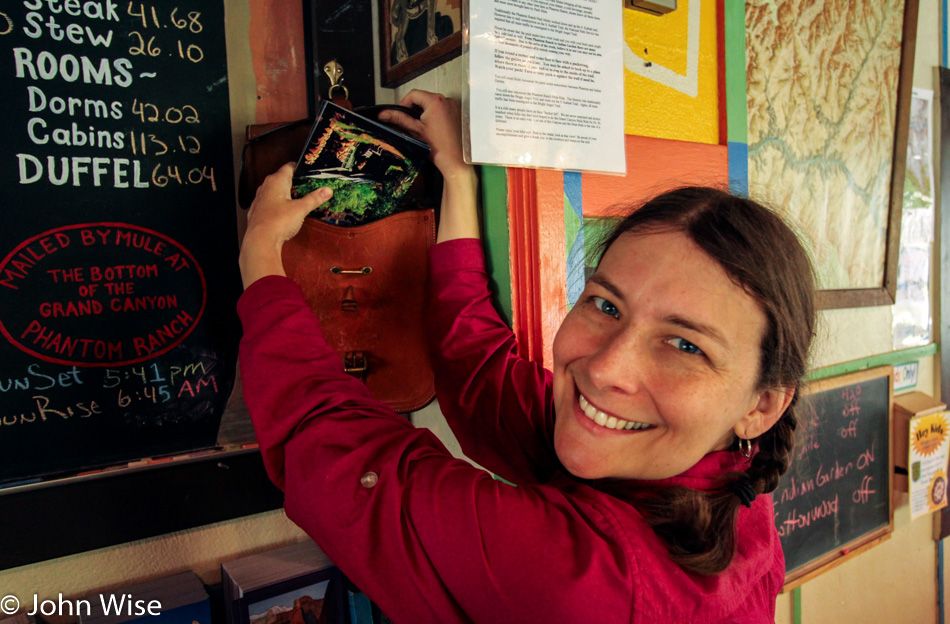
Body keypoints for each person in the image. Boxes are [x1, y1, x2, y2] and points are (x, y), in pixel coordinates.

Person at [237, 90, 817, 623]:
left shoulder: (589, 583)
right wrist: (458, 181)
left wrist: (262, 255)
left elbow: (331, 457)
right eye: (606, 306)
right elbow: (481, 370)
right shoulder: (725, 484)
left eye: (685, 345)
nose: (606, 368)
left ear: (763, 403)